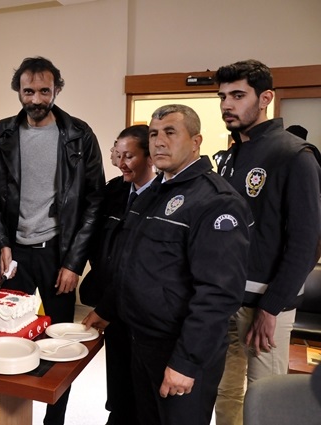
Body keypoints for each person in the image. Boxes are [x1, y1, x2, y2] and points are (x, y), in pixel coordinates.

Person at [83, 104, 252, 425]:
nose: (159, 141)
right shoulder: (153, 193)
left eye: (170, 133)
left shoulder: (217, 202)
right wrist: (106, 309)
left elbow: (218, 295)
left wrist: (186, 362)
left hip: (179, 350)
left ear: (196, 141)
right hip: (141, 340)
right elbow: (130, 264)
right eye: (153, 134)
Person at [0, 56, 105, 425]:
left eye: (44, 91)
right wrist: (2, 242)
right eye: (28, 91)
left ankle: (54, 420)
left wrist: (74, 262)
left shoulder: (80, 134)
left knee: (60, 345)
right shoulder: (2, 132)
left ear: (57, 90)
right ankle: (12, 416)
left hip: (57, 255)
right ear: (18, 91)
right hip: (12, 255)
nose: (36, 99)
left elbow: (94, 201)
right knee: (8, 339)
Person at [214, 60, 321, 425]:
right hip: (226, 298)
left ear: (265, 98)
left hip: (267, 305)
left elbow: (306, 243)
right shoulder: (230, 156)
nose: (227, 104)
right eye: (223, 97)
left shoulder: (294, 155)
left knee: (266, 400)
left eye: (238, 95)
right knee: (225, 393)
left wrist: (272, 308)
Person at [81, 124, 155, 425]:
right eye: (118, 155)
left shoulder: (164, 197)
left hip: (142, 307)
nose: (121, 163)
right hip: (111, 301)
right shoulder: (114, 190)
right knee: (118, 374)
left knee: (143, 383)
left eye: (130, 157)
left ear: (150, 157)